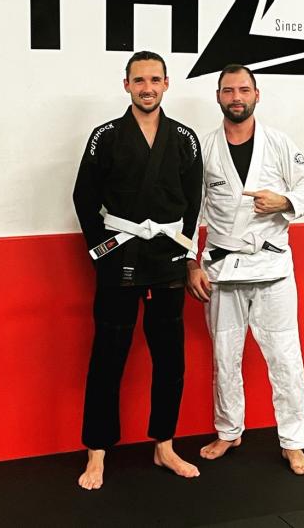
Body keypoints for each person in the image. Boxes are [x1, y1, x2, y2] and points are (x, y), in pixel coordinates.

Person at [73, 51, 203, 490]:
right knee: (108, 355)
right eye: (139, 80)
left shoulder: (183, 138)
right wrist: (102, 250)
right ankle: (97, 451)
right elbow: (84, 197)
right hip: (121, 255)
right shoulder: (106, 136)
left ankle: (164, 444)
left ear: (166, 84)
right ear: (126, 84)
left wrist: (187, 253)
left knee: (170, 357)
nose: (147, 88)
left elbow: (193, 202)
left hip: (167, 256)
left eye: (154, 80)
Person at [186, 64, 304, 475]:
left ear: (256, 95)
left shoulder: (279, 143)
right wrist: (191, 261)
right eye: (229, 91)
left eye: (244, 90)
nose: (237, 97)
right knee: (225, 356)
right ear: (218, 96)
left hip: (272, 265)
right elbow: (189, 210)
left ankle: (294, 442)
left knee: (285, 356)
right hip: (222, 267)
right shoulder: (204, 148)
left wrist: (284, 202)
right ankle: (229, 431)